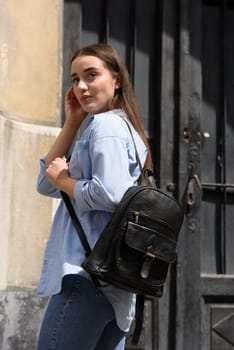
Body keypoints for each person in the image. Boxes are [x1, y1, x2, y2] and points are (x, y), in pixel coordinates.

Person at [36, 43, 153, 350]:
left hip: (87, 277)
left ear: (116, 80)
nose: (81, 86)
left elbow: (109, 194)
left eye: (91, 75)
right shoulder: (120, 128)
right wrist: (72, 122)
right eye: (75, 79)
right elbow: (46, 184)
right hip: (114, 283)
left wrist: (65, 180)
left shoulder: (106, 127)